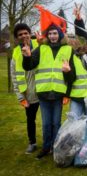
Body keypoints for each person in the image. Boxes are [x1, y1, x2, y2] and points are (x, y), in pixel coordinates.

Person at [22, 24, 75, 159]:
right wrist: (27, 56)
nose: (52, 36)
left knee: (56, 123)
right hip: (44, 93)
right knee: (46, 123)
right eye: (50, 34)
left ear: (60, 35)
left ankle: (55, 147)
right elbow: (28, 67)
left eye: (55, 33)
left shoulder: (68, 50)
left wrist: (67, 93)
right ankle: (46, 147)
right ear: (47, 36)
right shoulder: (41, 49)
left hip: (58, 93)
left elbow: (72, 76)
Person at [11, 23, 40, 154]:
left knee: (49, 120)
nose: (23, 36)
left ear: (30, 33)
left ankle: (51, 143)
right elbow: (14, 76)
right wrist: (20, 97)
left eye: (25, 33)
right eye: (20, 34)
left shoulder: (40, 45)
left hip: (43, 90)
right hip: (28, 93)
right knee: (30, 120)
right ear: (17, 38)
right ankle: (32, 142)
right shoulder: (16, 53)